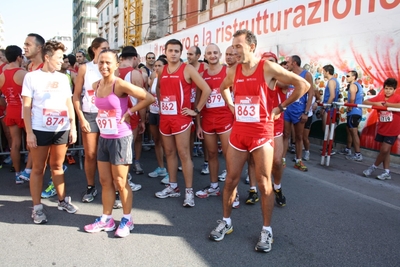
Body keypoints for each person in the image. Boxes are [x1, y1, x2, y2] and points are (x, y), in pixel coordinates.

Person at [208, 30, 309, 252]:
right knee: (230, 181)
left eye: (239, 46)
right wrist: (231, 105)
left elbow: (303, 85)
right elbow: (223, 87)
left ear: (252, 47)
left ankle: (266, 230)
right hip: (239, 133)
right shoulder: (233, 70)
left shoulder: (267, 67)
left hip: (261, 134)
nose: (234, 50)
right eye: (233, 46)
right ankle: (226, 222)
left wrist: (281, 107)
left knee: (264, 183)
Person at [83, 49, 154, 237]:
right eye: (101, 62)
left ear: (116, 65)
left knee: (121, 182)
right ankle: (106, 219)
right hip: (104, 137)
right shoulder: (96, 84)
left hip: (120, 138)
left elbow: (149, 97)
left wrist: (130, 112)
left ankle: (127, 218)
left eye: (108, 63)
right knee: (105, 181)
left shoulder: (120, 84)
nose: (104, 66)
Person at [22, 40, 78, 224]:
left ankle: (62, 200)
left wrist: (73, 127)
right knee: (38, 168)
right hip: (39, 129)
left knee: (58, 166)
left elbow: (68, 102)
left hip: (61, 128)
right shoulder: (31, 77)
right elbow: (26, 107)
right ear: (47, 57)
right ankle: (37, 208)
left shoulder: (63, 78)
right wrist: (29, 132)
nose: (62, 61)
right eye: (59, 57)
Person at [154, 39, 211, 207]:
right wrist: (161, 104)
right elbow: (158, 88)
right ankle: (172, 186)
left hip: (181, 118)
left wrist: (196, 110)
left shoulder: (188, 69)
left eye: (176, 51)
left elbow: (206, 89)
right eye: (170, 50)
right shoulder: (162, 69)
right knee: (169, 152)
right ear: (165, 52)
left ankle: (189, 191)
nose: (173, 53)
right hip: (166, 117)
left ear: (180, 53)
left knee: (184, 153)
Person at [194, 43, 233, 199]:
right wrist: (198, 125)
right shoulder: (201, 75)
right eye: (209, 53)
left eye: (215, 52)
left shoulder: (228, 71)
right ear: (205, 55)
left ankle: (232, 191)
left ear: (220, 54)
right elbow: (198, 100)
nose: (212, 55)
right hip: (208, 119)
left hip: (226, 118)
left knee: (229, 155)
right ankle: (214, 186)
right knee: (211, 154)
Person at [73, 37, 109, 203]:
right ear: (94, 49)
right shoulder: (84, 68)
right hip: (90, 115)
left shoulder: (110, 66)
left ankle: (112, 188)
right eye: (103, 48)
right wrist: (81, 118)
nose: (106, 51)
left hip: (108, 115)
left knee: (109, 154)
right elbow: (76, 95)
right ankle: (90, 187)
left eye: (108, 49)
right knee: (90, 154)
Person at [362, 78, 400, 180]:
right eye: (386, 88)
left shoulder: (397, 97)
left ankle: (372, 167)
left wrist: (388, 105)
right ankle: (387, 172)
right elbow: (365, 102)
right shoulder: (379, 97)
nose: (388, 91)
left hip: (393, 130)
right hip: (382, 129)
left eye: (390, 89)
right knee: (385, 152)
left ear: (394, 90)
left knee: (384, 150)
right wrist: (377, 104)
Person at [0, 46, 27, 183]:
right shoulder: (23, 73)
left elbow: (1, 98)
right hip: (24, 111)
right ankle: (28, 170)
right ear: (18, 57)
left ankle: (17, 174)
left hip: (10, 110)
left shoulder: (2, 75)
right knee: (31, 142)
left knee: (15, 144)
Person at [282, 55, 314, 172]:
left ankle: (298, 160)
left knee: (299, 137)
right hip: (287, 109)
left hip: (299, 110)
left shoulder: (306, 75)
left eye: (289, 62)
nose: (287, 64)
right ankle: (283, 159)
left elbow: (311, 94)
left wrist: (306, 111)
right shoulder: (287, 74)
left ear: (294, 63)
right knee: (285, 134)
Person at [186, 46, 209, 174]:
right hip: (189, 105)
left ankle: (206, 162)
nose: (188, 56)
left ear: (198, 56)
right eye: (187, 54)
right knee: (189, 135)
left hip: (201, 105)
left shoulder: (204, 67)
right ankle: (189, 161)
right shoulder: (185, 68)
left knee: (204, 136)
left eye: (191, 54)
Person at [148, 57, 169, 184]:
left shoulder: (167, 79)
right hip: (153, 112)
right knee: (156, 141)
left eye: (159, 65)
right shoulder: (153, 79)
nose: (156, 68)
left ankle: (169, 172)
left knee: (167, 144)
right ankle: (161, 168)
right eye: (155, 66)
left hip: (164, 114)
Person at [342, 70, 364, 161]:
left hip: (354, 112)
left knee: (354, 133)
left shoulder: (353, 85)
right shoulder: (358, 85)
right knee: (349, 130)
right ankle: (348, 149)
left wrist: (349, 107)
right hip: (357, 112)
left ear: (354, 77)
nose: (346, 78)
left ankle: (358, 154)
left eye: (348, 76)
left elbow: (352, 98)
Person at [320, 64, 340, 154]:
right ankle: (329, 147)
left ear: (327, 72)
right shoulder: (335, 81)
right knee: (331, 129)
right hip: (332, 107)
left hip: (329, 108)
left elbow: (332, 96)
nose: (323, 73)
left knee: (326, 128)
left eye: (323, 71)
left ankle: (328, 148)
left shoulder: (331, 81)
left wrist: (325, 107)